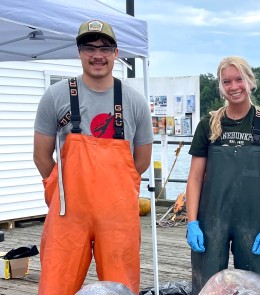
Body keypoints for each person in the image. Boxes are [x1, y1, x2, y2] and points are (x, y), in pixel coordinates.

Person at [33, 20, 153, 294]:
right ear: (79, 52)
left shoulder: (135, 102)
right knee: (55, 285)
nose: (97, 55)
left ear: (116, 53)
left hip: (118, 217)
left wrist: (117, 193)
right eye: (89, 48)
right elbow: (41, 157)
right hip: (68, 214)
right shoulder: (55, 96)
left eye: (105, 48)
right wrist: (61, 190)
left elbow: (142, 161)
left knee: (120, 286)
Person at [185, 56, 260, 294]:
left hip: (253, 222)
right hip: (211, 221)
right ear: (221, 87)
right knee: (206, 284)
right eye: (226, 82)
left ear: (250, 81)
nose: (234, 87)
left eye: (239, 79)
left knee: (254, 285)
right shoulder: (208, 125)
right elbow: (195, 178)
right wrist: (192, 222)